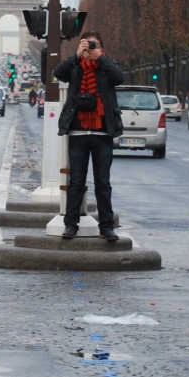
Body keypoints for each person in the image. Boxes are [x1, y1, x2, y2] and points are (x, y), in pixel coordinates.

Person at [53, 30, 124, 241]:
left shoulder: (107, 67)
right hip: (78, 131)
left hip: (103, 131)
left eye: (94, 44)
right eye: (87, 44)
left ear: (101, 47)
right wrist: (75, 55)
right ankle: (71, 225)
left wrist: (100, 58)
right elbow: (58, 73)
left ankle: (107, 227)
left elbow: (120, 78)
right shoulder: (75, 68)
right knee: (76, 181)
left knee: (103, 182)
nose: (90, 48)